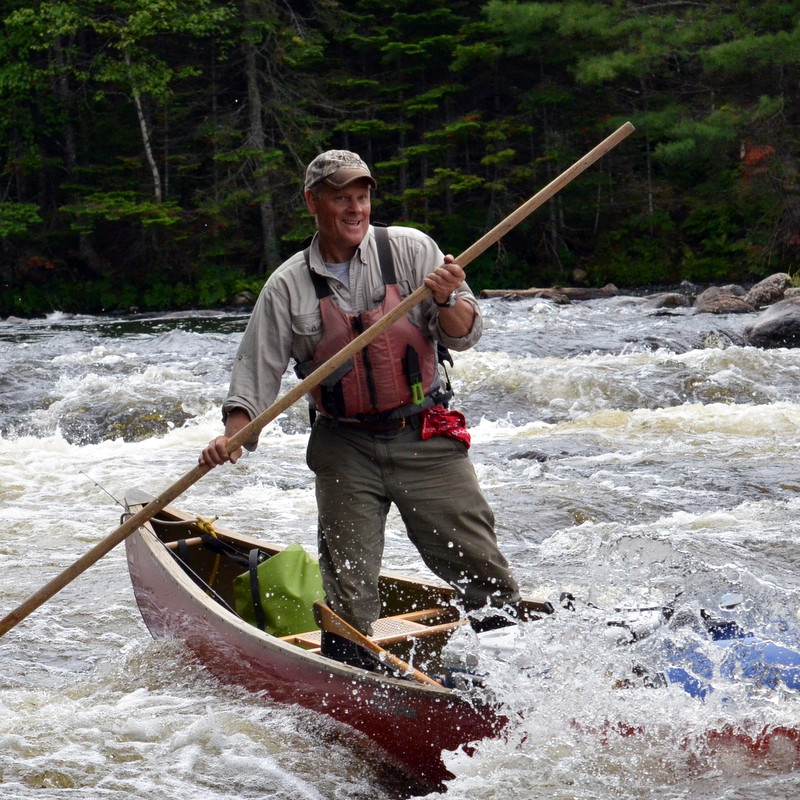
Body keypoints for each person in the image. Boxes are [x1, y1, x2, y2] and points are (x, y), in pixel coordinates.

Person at [200, 149, 521, 668]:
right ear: (313, 202)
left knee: (478, 565)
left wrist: (445, 300)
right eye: (341, 198)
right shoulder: (287, 285)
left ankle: (514, 670)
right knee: (349, 586)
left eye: (362, 197)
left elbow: (464, 334)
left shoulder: (413, 250)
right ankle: (357, 682)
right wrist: (234, 434)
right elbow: (256, 372)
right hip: (344, 443)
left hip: (425, 433)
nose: (355, 209)